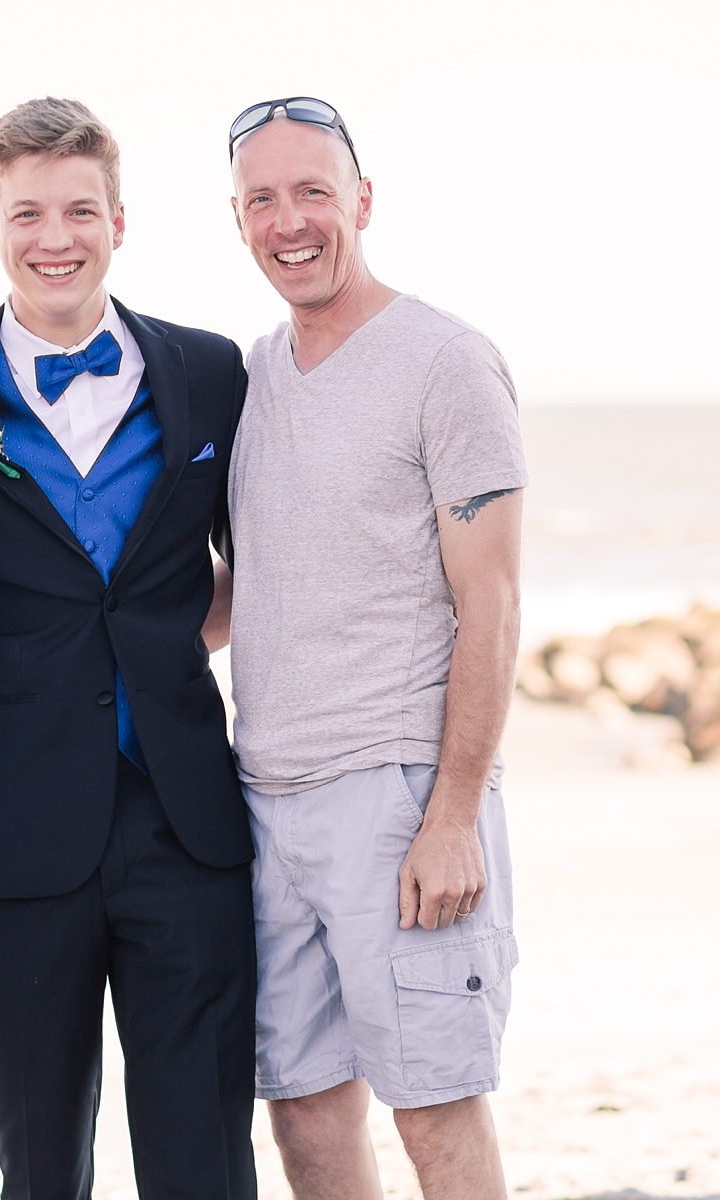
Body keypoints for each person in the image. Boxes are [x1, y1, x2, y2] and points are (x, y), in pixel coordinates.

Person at [0, 98, 258, 1200]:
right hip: (16, 827)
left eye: (80, 210)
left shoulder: (213, 373)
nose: (57, 236)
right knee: (41, 1159)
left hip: (186, 816)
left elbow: (265, 568)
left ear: (121, 221)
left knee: (203, 1153)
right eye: (27, 212)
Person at [222, 97, 526, 1200]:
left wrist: (453, 816)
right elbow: (251, 585)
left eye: (313, 191)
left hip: (398, 796)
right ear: (240, 220)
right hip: (263, 796)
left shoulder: (445, 361)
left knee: (436, 1114)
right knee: (302, 1115)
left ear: (362, 199)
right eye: (263, 199)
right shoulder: (252, 377)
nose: (289, 220)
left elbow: (491, 602)